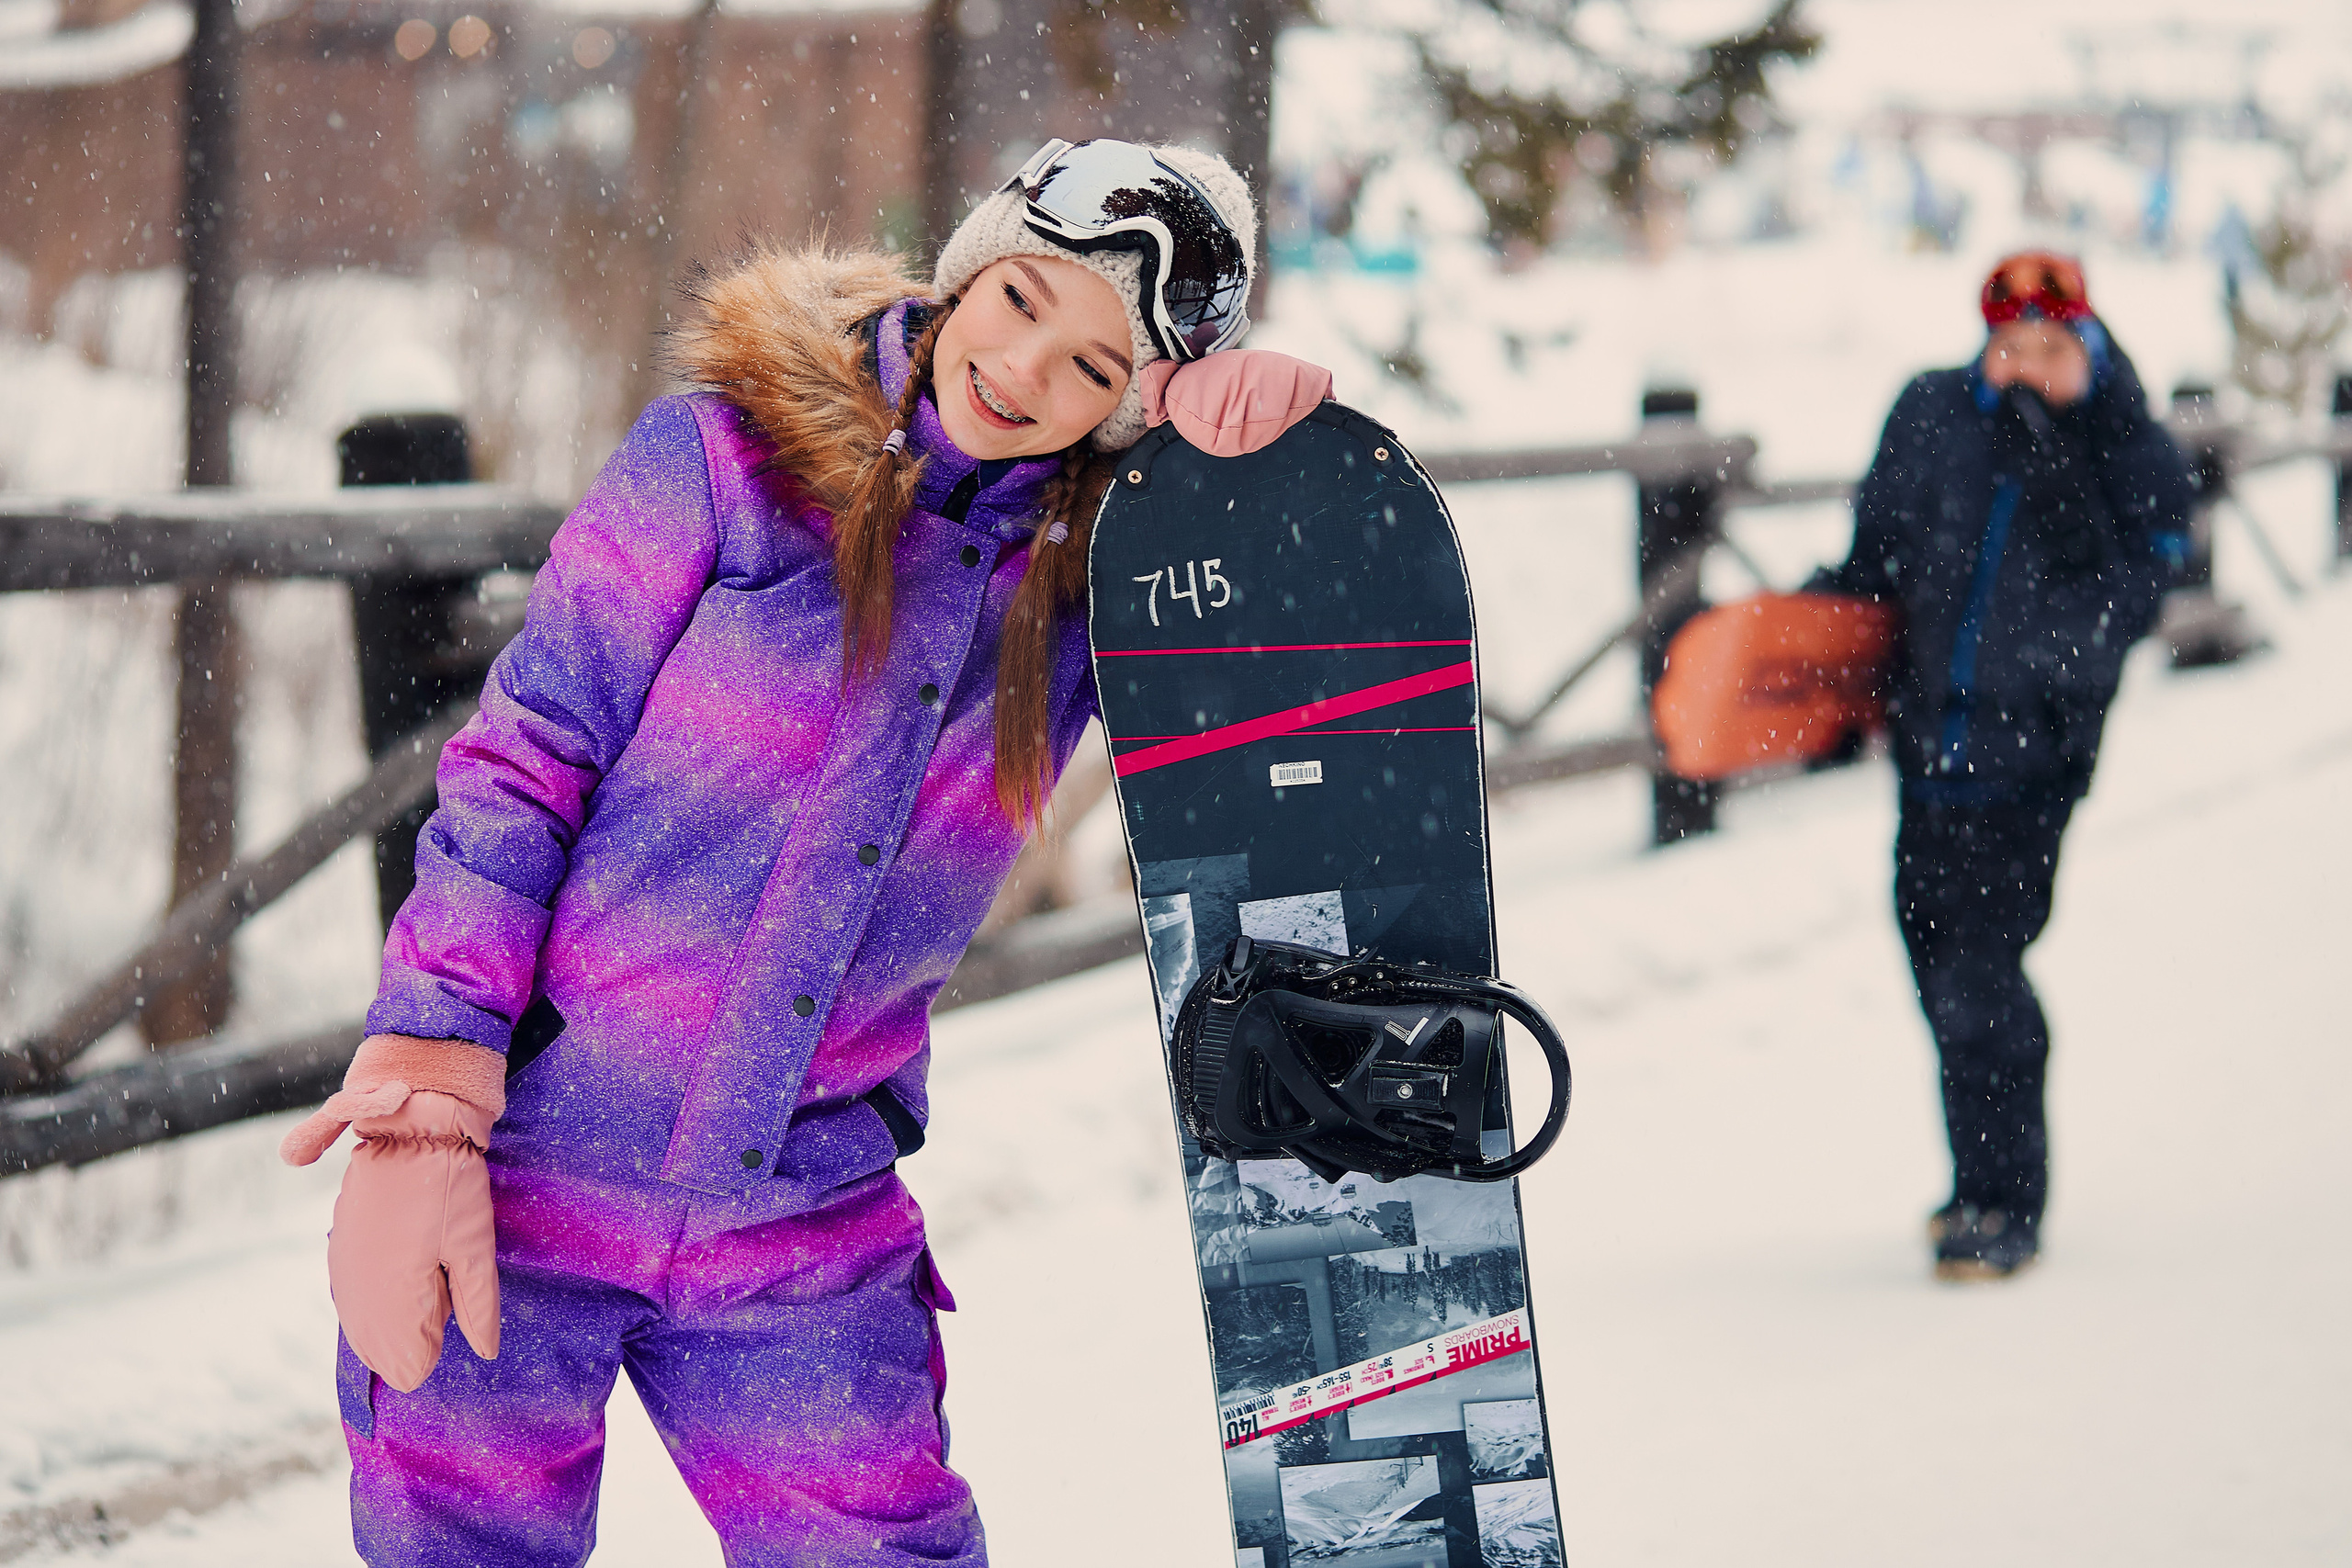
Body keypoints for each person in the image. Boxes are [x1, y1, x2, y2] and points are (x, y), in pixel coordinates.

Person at [278, 138, 1327, 1565]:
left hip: (804, 1210)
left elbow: (1275, 692)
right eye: (1022, 299)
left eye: (1095, 368)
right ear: (968, 266)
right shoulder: (723, 459)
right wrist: (422, 1095)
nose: (1025, 370)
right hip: (526, 1172)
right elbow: (526, 760)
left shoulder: (1087, 584)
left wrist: (1258, 478)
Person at [1809, 251, 2189, 1282]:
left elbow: (2149, 574)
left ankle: (2000, 1198)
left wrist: (2054, 667)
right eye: (2009, 343)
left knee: (1979, 971)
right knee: (1935, 963)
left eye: (2050, 347)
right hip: (1929, 744)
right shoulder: (1933, 412)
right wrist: (1803, 650)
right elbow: (1875, 548)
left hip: (2032, 758)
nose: (2025, 365)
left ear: (2087, 346)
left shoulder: (2122, 437)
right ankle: (1975, 1177)